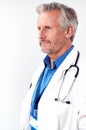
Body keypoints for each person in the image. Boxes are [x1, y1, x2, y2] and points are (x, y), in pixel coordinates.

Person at [21, 2, 86, 130]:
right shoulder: (42, 70)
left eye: (48, 28)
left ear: (68, 31)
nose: (40, 35)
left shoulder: (83, 74)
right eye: (39, 28)